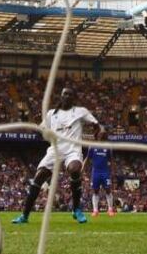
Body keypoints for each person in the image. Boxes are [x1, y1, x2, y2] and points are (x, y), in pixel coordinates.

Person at [13, 88, 104, 224]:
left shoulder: (81, 112)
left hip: (72, 149)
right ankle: (25, 215)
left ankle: (76, 209)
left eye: (70, 94)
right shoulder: (51, 114)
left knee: (74, 169)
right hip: (55, 149)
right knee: (39, 177)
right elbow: (42, 134)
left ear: (74, 99)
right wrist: (37, 127)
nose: (66, 96)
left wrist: (99, 131)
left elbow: (96, 124)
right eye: (64, 94)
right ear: (61, 97)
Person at [88, 131, 115, 216]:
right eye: (99, 135)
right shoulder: (92, 146)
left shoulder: (108, 146)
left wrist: (113, 170)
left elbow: (111, 160)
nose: (100, 136)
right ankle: (95, 210)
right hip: (96, 172)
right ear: (97, 136)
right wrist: (83, 168)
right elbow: (88, 158)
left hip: (105, 171)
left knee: (108, 190)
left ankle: (110, 209)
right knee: (95, 191)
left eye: (102, 135)